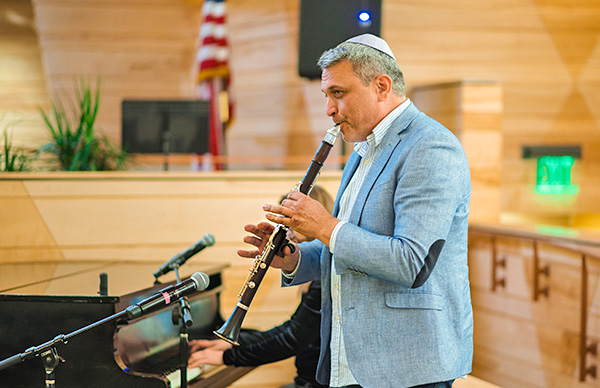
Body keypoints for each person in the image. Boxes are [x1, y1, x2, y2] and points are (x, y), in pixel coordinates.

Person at [238, 34, 473, 388]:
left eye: (339, 93)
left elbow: (411, 262)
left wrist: (323, 225)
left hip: (408, 367)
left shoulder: (430, 146)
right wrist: (293, 258)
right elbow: (350, 247)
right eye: (327, 96)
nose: (329, 109)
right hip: (355, 362)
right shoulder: (362, 151)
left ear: (381, 86)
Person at [188, 186, 334, 388]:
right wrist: (233, 342)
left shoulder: (325, 277)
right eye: (284, 227)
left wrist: (226, 357)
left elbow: (291, 339)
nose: (287, 235)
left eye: (291, 226)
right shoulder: (313, 274)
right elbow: (290, 329)